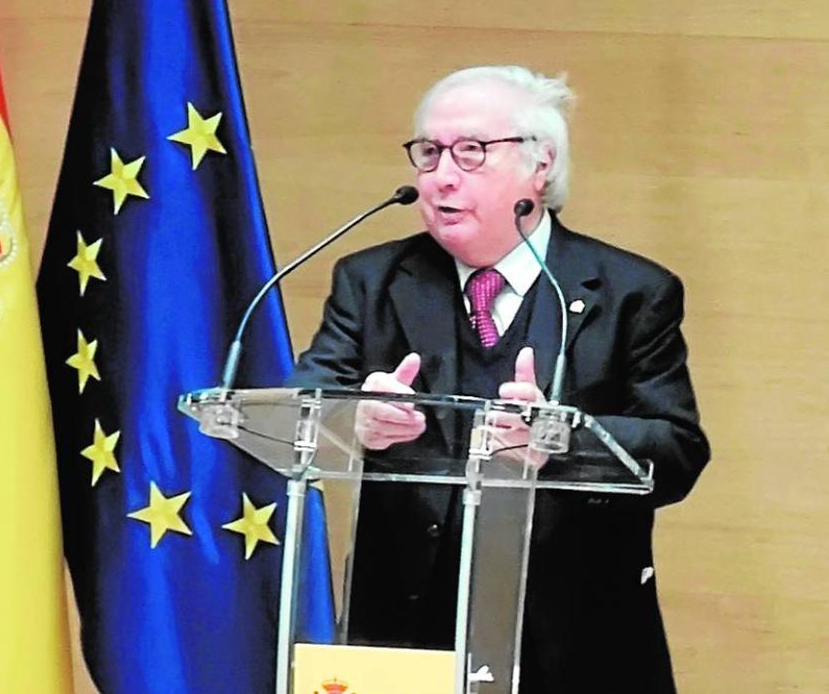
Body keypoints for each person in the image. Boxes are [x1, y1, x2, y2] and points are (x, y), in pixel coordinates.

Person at [289, 66, 710, 694]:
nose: (441, 175)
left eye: (472, 152)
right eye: (429, 152)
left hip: (576, 638)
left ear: (540, 166)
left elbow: (676, 452)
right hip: (405, 634)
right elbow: (304, 407)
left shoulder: (629, 292)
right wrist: (356, 418)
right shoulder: (370, 279)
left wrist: (562, 440)